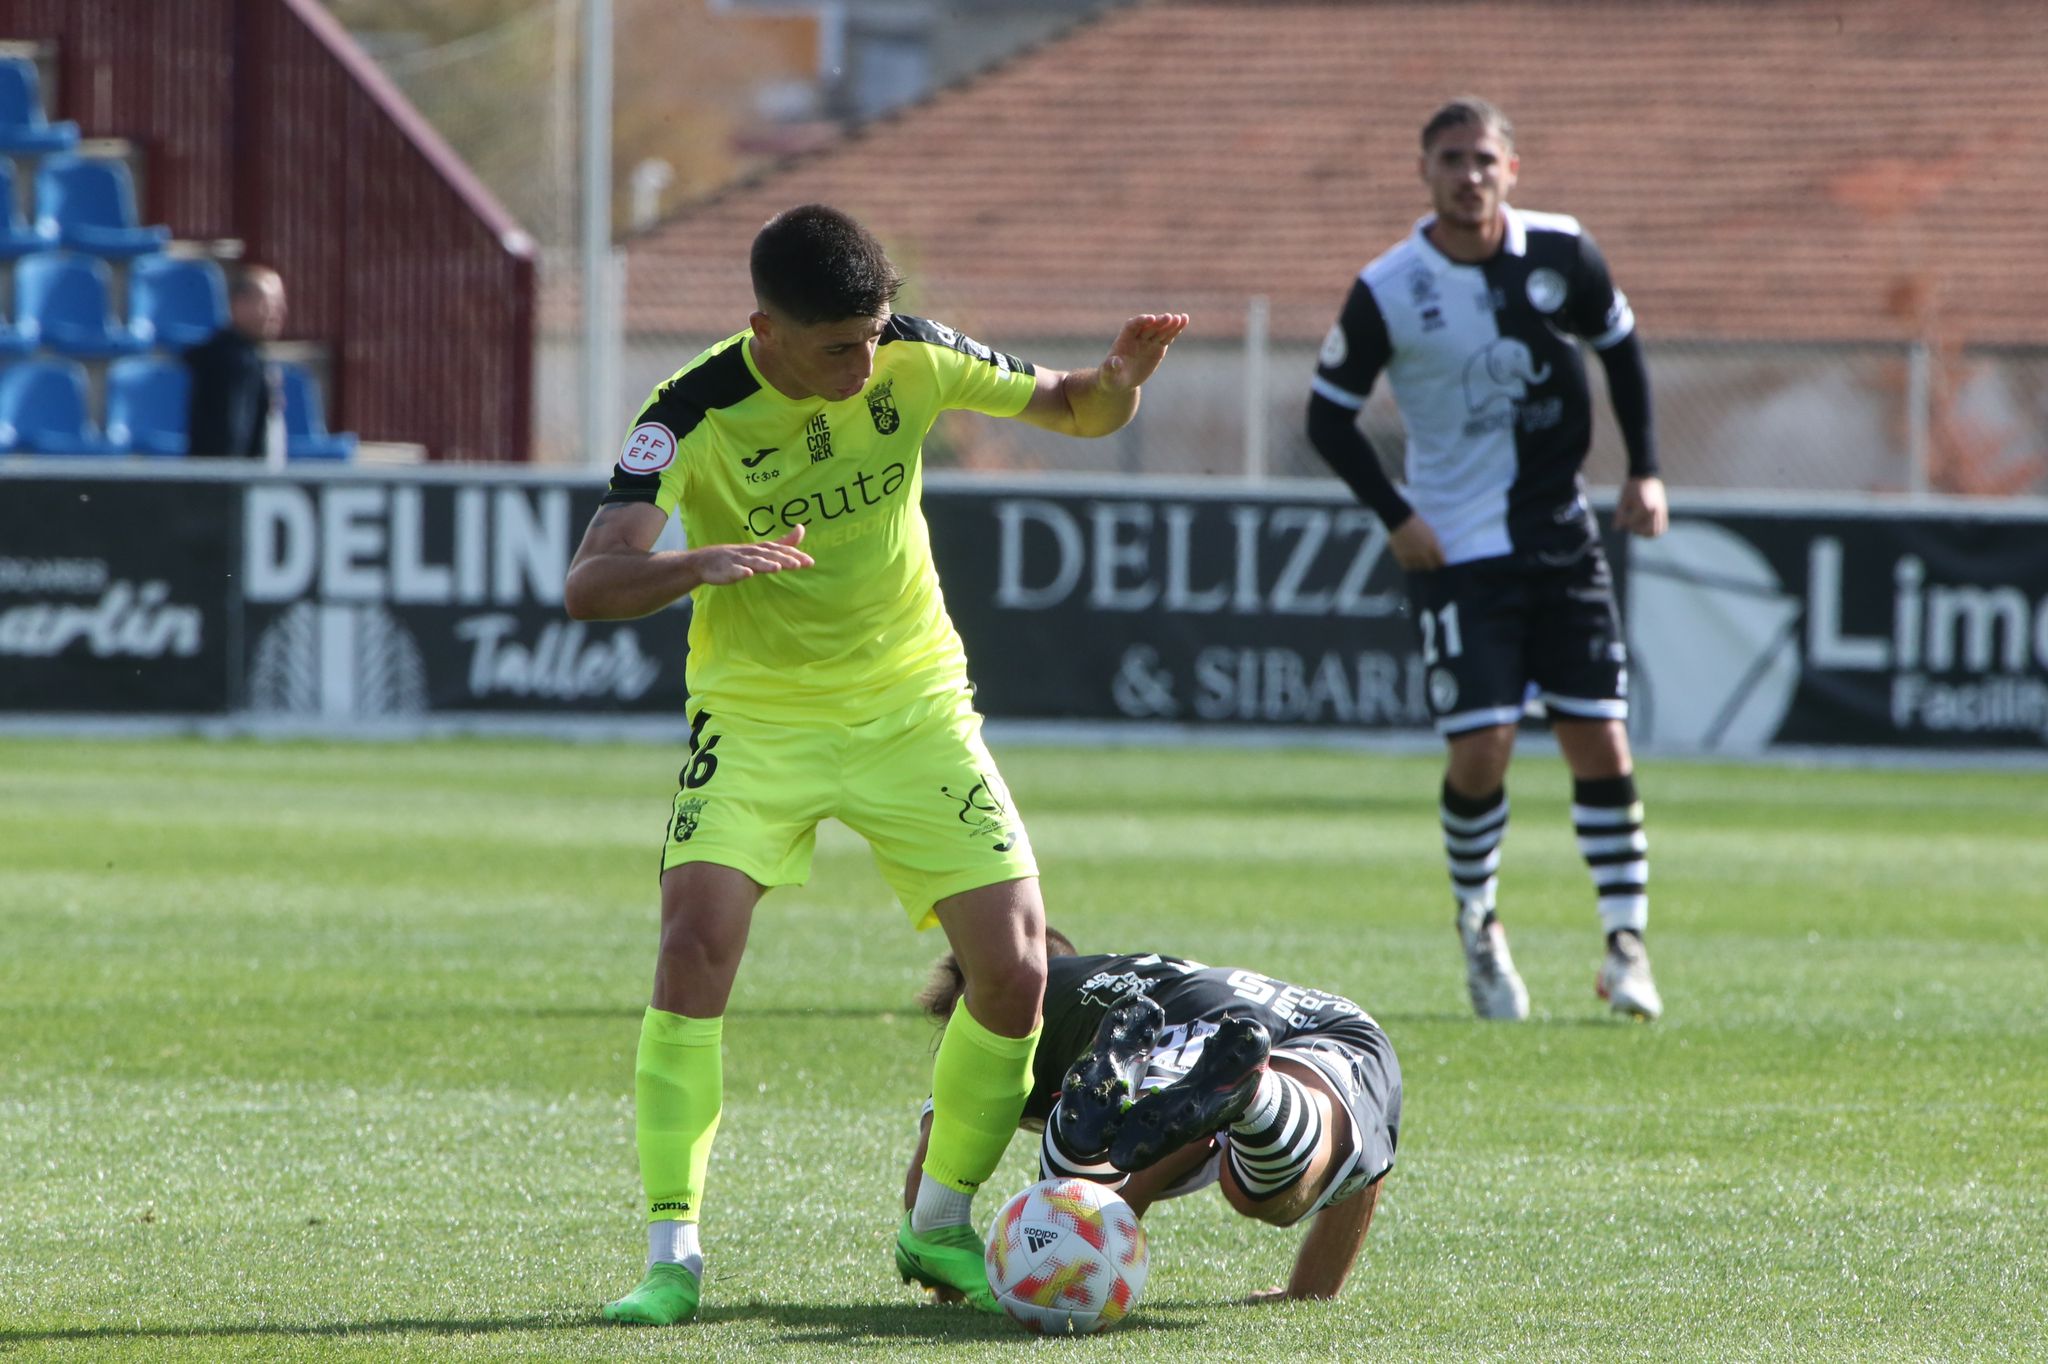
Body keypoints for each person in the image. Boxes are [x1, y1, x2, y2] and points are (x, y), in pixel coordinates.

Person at [563, 203, 1188, 1326]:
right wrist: (697, 560)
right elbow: (590, 582)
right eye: (837, 345)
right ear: (766, 327)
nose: (865, 361)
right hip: (757, 719)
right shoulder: (691, 412)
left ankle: (937, 1222)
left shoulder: (913, 355)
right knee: (692, 949)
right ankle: (672, 1253)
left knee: (1016, 972)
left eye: (873, 334)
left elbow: (1076, 409)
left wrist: (1120, 378)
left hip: (912, 709)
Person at [1305, 98, 1668, 1023]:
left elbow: (1621, 349)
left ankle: (1626, 946)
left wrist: (1648, 471)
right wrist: (1397, 516)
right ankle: (1479, 923)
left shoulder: (1563, 254)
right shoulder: (1389, 286)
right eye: (1451, 160)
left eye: (1483, 159)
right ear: (1424, 173)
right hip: (1458, 551)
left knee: (1601, 737)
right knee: (1483, 749)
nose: (1469, 175)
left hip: (1562, 537)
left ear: (1514, 167)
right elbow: (1326, 415)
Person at [904, 929, 1401, 1303]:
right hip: (1319, 1020)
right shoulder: (1115, 974)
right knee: (1273, 1174)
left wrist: (1094, 1235)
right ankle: (1258, 1097)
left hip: (1184, 1023)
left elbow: (928, 1188)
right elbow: (1361, 1165)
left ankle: (1084, 1149)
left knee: (1105, 1179)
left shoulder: (992, 1023)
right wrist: (1307, 1293)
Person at [183, 265, 287, 461]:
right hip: (227, 482)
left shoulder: (251, 357)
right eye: (269, 303)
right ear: (238, 304)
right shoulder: (233, 361)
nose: (276, 312)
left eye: (280, 304)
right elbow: (233, 435)